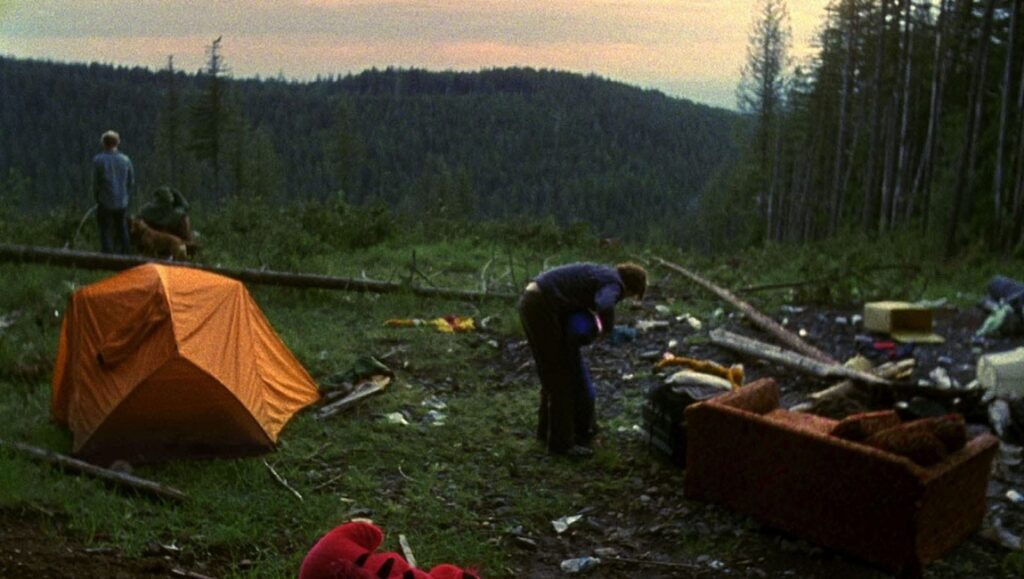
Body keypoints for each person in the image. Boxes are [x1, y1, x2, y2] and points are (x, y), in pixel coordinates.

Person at [518, 262, 647, 455]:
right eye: (629, 296)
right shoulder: (614, 283)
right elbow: (604, 303)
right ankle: (561, 445)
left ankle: (545, 433)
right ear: (630, 287)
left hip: (532, 300)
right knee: (561, 378)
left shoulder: (602, 272)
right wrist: (608, 329)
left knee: (551, 372)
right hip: (541, 305)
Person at [91, 130, 134, 254]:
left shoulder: (98, 160)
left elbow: (96, 183)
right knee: (122, 229)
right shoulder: (125, 160)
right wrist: (126, 196)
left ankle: (107, 255)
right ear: (117, 143)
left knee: (105, 230)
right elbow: (131, 181)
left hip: (105, 201)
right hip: (122, 202)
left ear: (103, 143)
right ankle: (126, 254)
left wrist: (97, 198)